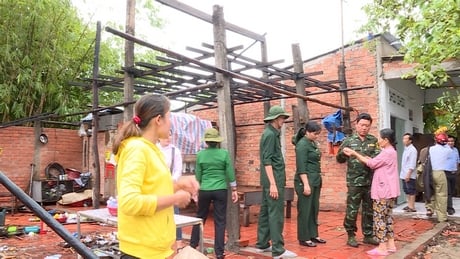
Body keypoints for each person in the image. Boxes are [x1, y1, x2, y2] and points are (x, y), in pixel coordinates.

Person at [112, 94, 200, 259]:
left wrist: (179, 185)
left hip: (154, 249)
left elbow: (154, 188)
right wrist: (175, 199)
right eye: (169, 116)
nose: (171, 122)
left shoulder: (152, 149)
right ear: (158, 119)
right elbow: (129, 202)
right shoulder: (136, 150)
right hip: (140, 252)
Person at [343, 128, 400, 256]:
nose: (378, 140)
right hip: (391, 190)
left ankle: (382, 247)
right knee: (388, 217)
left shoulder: (386, 152)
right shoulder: (391, 151)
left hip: (383, 190)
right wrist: (367, 158)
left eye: (380, 138)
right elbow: (377, 162)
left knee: (379, 218)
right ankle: (391, 244)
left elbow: (372, 164)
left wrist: (354, 153)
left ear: (386, 140)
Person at [255, 105, 297, 259]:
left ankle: (262, 244)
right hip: (273, 180)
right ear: (274, 119)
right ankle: (278, 250)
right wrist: (273, 183)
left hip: (271, 179)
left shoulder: (272, 133)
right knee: (276, 213)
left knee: (266, 211)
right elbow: (267, 161)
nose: (283, 120)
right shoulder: (270, 135)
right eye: (281, 118)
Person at [189, 128, 239, 259]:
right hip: (220, 189)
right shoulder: (224, 154)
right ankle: (219, 252)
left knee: (200, 218)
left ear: (206, 141)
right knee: (220, 221)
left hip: (205, 189)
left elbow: (198, 175)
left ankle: (192, 245)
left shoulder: (200, 155)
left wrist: (196, 191)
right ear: (217, 142)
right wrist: (234, 189)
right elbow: (230, 172)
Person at [336, 113, 380, 247]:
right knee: (352, 209)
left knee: (369, 210)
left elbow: (377, 159)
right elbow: (339, 159)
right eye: (362, 125)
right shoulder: (348, 141)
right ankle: (351, 235)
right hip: (354, 182)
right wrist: (343, 154)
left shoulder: (373, 141)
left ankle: (368, 235)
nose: (364, 128)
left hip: (370, 181)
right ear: (356, 125)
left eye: (367, 126)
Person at [293, 121, 326, 247]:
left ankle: (313, 234)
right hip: (305, 180)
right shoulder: (302, 145)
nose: (316, 136)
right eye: (314, 133)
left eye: (318, 134)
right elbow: (301, 167)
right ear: (307, 132)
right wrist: (306, 184)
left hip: (315, 179)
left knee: (314, 208)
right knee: (305, 209)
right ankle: (304, 237)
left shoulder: (312, 143)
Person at [157, 133, 184, 250]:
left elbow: (178, 170)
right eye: (165, 136)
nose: (167, 138)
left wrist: (172, 181)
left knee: (175, 214)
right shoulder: (154, 149)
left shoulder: (175, 151)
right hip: (156, 186)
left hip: (170, 186)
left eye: (169, 136)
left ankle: (179, 242)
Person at [425, 132, 452, 223]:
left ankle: (430, 208)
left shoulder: (431, 149)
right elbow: (449, 147)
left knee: (430, 190)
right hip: (440, 173)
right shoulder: (447, 150)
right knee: (442, 195)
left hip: (430, 172)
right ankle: (441, 217)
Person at [399, 133, 418, 212]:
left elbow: (412, 163)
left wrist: (409, 174)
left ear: (410, 140)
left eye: (406, 139)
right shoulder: (406, 149)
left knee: (411, 190)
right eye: (403, 138)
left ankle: (412, 206)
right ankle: (409, 204)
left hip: (409, 174)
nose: (404, 140)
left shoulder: (412, 150)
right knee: (406, 190)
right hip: (404, 173)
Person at [445, 135, 459, 215]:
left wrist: (456, 170)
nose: (450, 142)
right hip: (446, 173)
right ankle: (449, 208)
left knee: (452, 191)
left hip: (453, 173)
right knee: (448, 192)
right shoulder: (444, 150)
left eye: (452, 141)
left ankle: (448, 206)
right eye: (449, 141)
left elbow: (457, 161)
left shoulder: (455, 150)